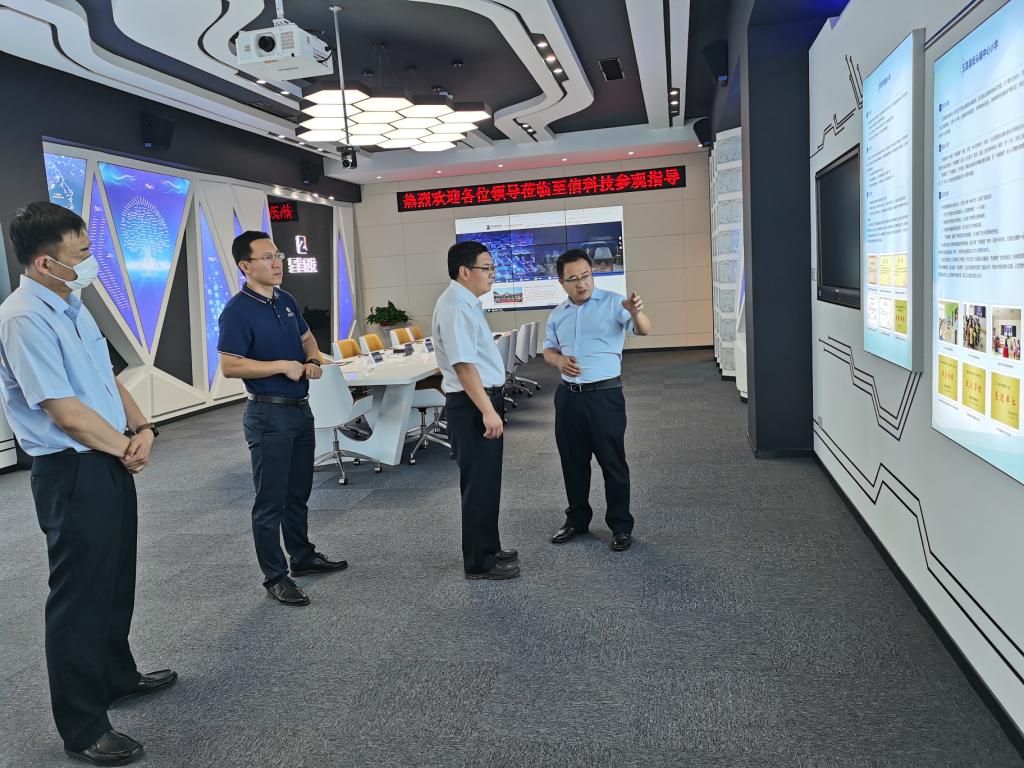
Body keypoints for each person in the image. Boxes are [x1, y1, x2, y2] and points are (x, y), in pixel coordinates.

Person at [0, 202, 175, 766]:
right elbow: (63, 410)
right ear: (46, 262)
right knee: (79, 596)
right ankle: (82, 726)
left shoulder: (71, 305)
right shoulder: (23, 318)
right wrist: (123, 447)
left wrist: (143, 427)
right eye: (82, 253)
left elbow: (107, 379)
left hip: (108, 457)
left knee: (115, 577)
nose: (90, 262)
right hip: (72, 470)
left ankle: (116, 676)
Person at [218, 231, 347, 606]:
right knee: (270, 500)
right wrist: (282, 366)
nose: (277, 263)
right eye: (267, 257)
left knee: (298, 492)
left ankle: (302, 556)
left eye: (278, 255)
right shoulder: (237, 311)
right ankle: (275, 576)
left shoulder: (285, 299)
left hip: (300, 409)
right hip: (267, 413)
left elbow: (307, 339)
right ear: (245, 266)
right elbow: (229, 365)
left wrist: (312, 359)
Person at [542, 248, 651, 551]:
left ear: (593, 273)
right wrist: (558, 361)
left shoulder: (615, 303)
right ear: (562, 282)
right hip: (568, 398)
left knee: (612, 462)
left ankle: (621, 525)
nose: (581, 283)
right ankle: (577, 520)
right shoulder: (558, 314)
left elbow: (644, 330)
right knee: (573, 463)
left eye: (586, 275)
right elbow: (548, 350)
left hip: (604, 397)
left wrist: (636, 312)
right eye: (573, 279)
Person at [432, 241, 519, 580]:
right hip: (472, 405)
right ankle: (479, 562)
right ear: (464, 272)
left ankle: (489, 547)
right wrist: (487, 410)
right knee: (478, 485)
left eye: (493, 267)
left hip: (479, 400)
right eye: (487, 268)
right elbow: (464, 366)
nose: (493, 274)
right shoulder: (455, 306)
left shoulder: (466, 302)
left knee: (487, 482)